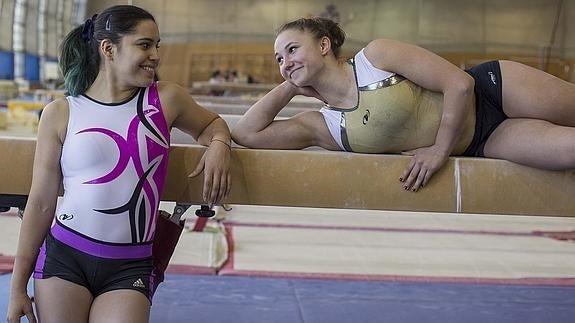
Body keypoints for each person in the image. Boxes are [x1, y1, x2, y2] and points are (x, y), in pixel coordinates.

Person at [7, 5, 231, 323]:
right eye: (144, 44)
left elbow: (213, 125)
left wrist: (220, 143)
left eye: (157, 45)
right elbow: (41, 203)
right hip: (65, 258)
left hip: (130, 265)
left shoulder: (165, 100)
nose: (155, 55)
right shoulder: (61, 113)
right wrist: (17, 286)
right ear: (108, 49)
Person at [232, 17, 575, 192]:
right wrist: (289, 88)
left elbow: (459, 83)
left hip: (494, 91)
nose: (285, 61)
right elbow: (246, 132)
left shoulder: (377, 56)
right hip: (484, 141)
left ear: (324, 45)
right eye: (279, 58)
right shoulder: (325, 127)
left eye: (292, 50)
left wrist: (440, 150)